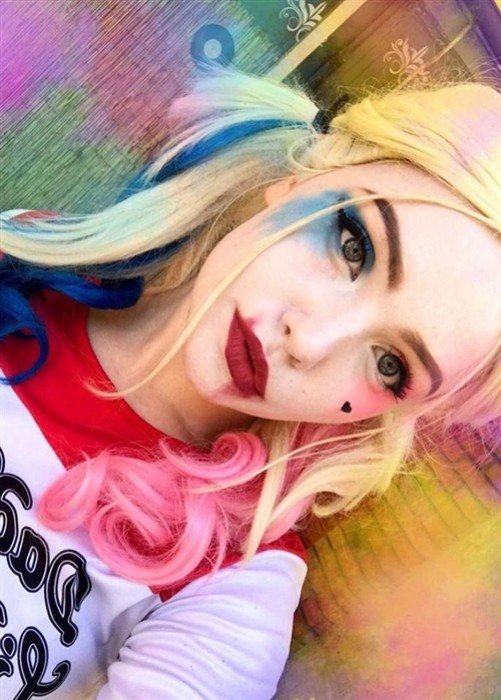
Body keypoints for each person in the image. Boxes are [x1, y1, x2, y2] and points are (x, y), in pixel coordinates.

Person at [0, 65, 500, 700]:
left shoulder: (234, 589)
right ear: (301, 179)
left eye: (389, 365)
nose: (310, 341)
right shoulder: (26, 258)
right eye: (354, 247)